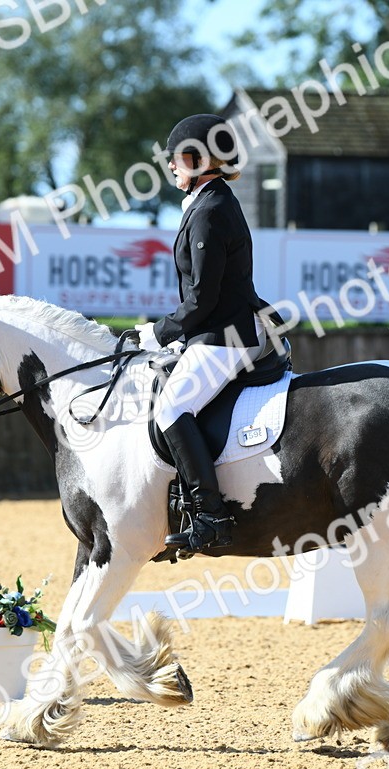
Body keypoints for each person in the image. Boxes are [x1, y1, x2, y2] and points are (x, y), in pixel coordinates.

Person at [135, 114, 267, 554]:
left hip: (223, 337)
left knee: (171, 408)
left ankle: (211, 516)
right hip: (214, 332)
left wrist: (158, 332)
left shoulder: (210, 211)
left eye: (176, 158)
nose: (171, 166)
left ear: (200, 158)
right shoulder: (210, 203)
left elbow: (201, 301)